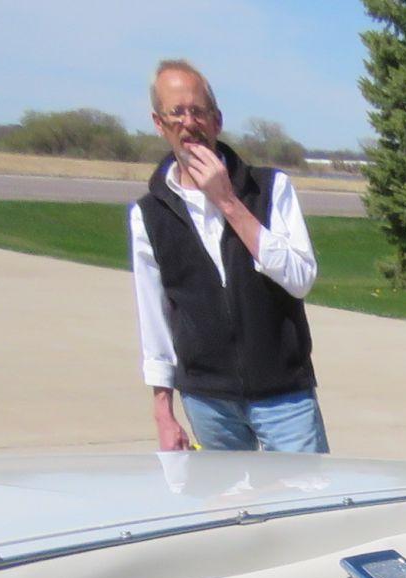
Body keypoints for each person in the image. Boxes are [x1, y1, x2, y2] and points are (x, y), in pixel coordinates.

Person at [129, 60, 326, 453]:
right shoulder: (148, 214)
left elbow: (301, 278)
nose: (189, 122)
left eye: (198, 111)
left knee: (305, 509)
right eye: (177, 113)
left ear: (217, 120)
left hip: (284, 396)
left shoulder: (271, 189)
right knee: (232, 510)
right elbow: (154, 317)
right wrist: (163, 411)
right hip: (207, 402)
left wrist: (228, 202)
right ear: (159, 123)